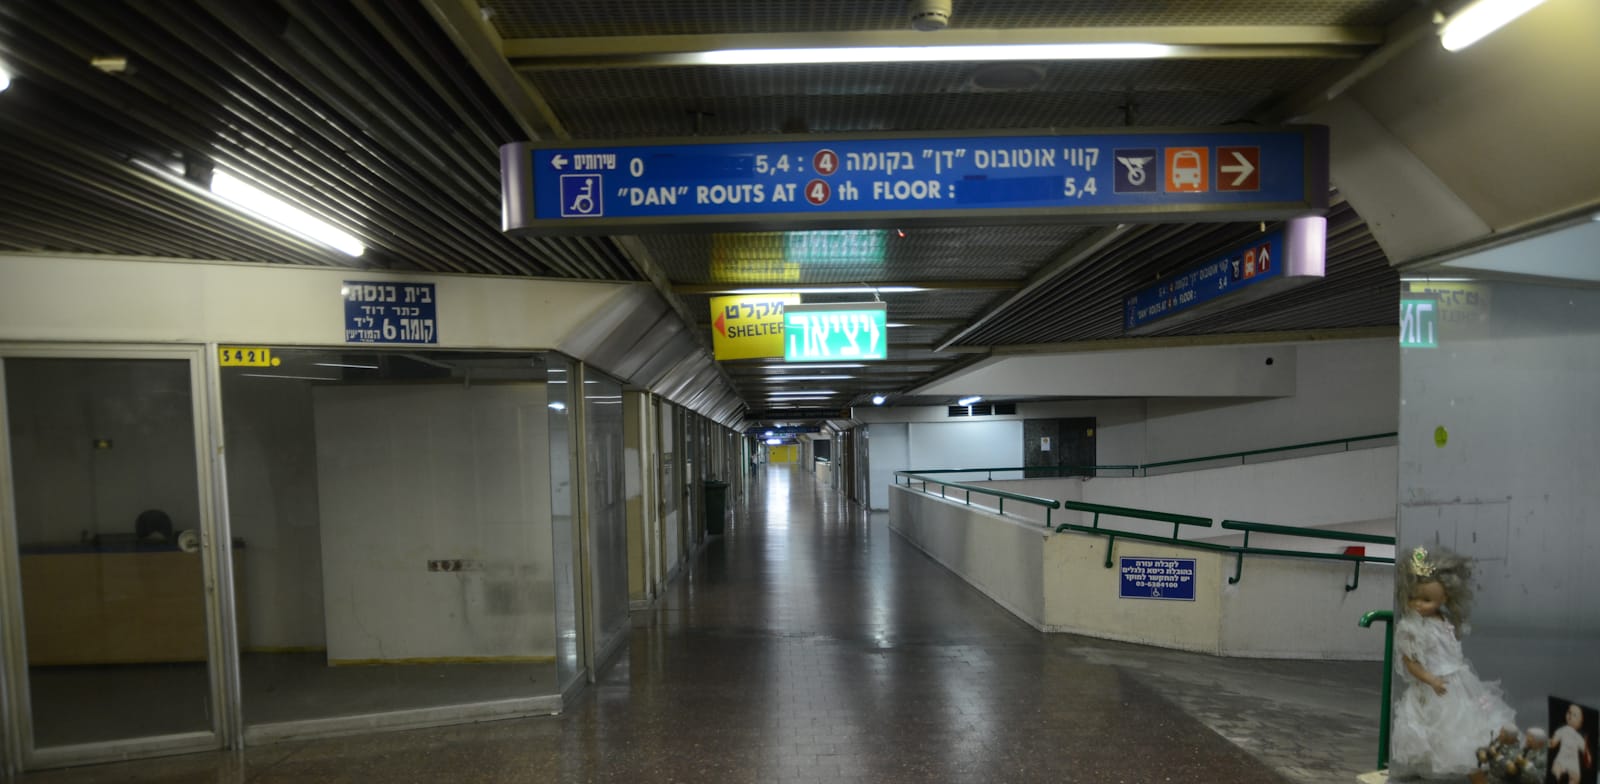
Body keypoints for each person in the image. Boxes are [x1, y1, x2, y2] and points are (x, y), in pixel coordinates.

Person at [1390, 546, 1517, 780]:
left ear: (1444, 598)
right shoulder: (1411, 628)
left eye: (1426, 600)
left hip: (1458, 685)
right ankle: (1473, 775)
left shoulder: (1443, 619)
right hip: (1434, 692)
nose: (1418, 604)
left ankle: (1480, 775)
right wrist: (1431, 679)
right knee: (1449, 740)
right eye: (1413, 598)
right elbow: (1411, 663)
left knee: (1469, 735)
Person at [1551, 702, 1592, 784]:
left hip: (1573, 763)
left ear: (1580, 722)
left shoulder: (1579, 737)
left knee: (1576, 777)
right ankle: (1557, 778)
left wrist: (1588, 755)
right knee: (1556, 768)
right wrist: (1552, 741)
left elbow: (1586, 752)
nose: (1570, 715)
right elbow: (1553, 743)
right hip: (1562, 759)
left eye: (1574, 715)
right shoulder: (1563, 730)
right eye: (1569, 712)